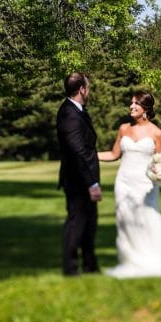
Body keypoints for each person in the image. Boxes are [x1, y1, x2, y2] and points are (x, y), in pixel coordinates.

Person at [97, 90, 161, 279]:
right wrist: (89, 154)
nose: (131, 106)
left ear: (145, 108)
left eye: (136, 103)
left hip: (145, 185)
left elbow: (158, 160)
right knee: (124, 219)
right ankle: (131, 261)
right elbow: (113, 155)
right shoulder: (123, 129)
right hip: (123, 182)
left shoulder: (156, 133)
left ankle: (155, 260)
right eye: (131, 103)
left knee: (149, 218)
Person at [56, 73, 102, 276]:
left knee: (89, 224)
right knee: (77, 223)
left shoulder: (78, 111)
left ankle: (90, 265)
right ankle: (71, 268)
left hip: (85, 177)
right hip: (78, 179)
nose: (89, 91)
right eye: (88, 87)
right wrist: (92, 183)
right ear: (82, 89)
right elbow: (78, 152)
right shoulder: (69, 114)